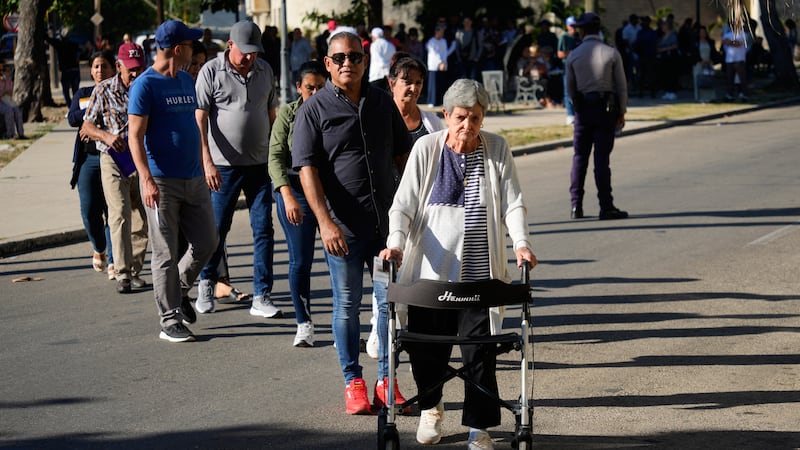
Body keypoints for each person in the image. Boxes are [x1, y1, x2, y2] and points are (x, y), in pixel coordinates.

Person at [378, 78, 538, 449]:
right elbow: (402, 206)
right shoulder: (426, 148)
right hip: (430, 275)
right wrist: (396, 245)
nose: (468, 126)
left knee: (479, 355)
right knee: (425, 349)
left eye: (477, 119)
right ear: (446, 115)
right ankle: (431, 408)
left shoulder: (497, 148)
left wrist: (522, 244)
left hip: (479, 276)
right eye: (461, 117)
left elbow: (513, 203)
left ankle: (478, 429)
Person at [291, 31, 411, 415]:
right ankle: (353, 381)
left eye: (355, 57)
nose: (348, 64)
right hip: (342, 229)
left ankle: (386, 381)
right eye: (340, 58)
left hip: (384, 229)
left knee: (386, 304)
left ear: (365, 60)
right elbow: (306, 170)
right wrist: (325, 222)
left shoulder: (381, 102)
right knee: (346, 305)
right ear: (327, 64)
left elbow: (403, 158)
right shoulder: (314, 109)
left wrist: (407, 213)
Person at [127, 20, 218, 343]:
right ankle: (169, 319)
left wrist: (205, 161)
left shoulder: (183, 80)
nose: (194, 51)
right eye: (190, 46)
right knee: (165, 252)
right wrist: (146, 179)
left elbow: (194, 127)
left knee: (208, 241)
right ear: (177, 49)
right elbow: (134, 137)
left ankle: (178, 288)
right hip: (161, 182)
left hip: (193, 178)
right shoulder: (145, 85)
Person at [194, 20, 281, 318]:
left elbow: (272, 115)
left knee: (264, 230)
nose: (249, 58)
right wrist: (206, 161)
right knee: (216, 229)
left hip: (259, 165)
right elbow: (200, 120)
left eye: (254, 52)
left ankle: (262, 294)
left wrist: (276, 156)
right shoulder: (211, 72)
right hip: (222, 166)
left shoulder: (265, 70)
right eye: (245, 52)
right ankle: (206, 281)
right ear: (230, 45)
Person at [268, 60, 328, 347]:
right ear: (298, 88)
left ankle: (346, 325)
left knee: (338, 260)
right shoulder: (288, 114)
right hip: (296, 191)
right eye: (309, 88)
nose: (315, 93)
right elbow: (276, 156)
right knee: (300, 261)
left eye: (320, 87)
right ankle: (304, 323)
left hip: (328, 192)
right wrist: (286, 195)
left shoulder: (335, 110)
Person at [81, 42, 149, 294]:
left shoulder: (147, 87)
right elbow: (86, 127)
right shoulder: (103, 90)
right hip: (113, 159)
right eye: (130, 68)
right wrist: (107, 137)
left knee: (143, 218)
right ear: (119, 66)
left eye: (139, 68)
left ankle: (133, 270)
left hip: (141, 157)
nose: (134, 74)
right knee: (120, 212)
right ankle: (121, 272)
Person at [565, 12, 629, 221]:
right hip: (605, 110)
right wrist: (621, 111)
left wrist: (577, 108)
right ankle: (606, 206)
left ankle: (576, 206)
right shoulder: (611, 53)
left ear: (581, 31)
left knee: (579, 158)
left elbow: (570, 89)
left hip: (583, 110)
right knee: (602, 160)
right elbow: (620, 86)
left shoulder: (574, 55)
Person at [68, 51, 116, 277]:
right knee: (89, 210)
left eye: (104, 66)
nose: (100, 71)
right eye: (96, 66)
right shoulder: (83, 93)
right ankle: (99, 249)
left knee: (114, 210)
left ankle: (115, 260)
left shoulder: (119, 91)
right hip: (88, 159)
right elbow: (72, 118)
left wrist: (89, 124)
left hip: (114, 158)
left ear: (113, 68)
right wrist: (93, 112)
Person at [45, 31, 81, 105]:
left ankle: (70, 105)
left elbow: (48, 39)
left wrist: (48, 31)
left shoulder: (59, 44)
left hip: (66, 71)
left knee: (66, 90)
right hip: (75, 70)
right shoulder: (74, 45)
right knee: (75, 90)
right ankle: (75, 105)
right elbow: (82, 53)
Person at [426, 24, 456, 106]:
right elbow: (434, 53)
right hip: (434, 66)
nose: (442, 33)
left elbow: (445, 52)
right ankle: (431, 101)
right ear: (436, 31)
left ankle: (439, 101)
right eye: (441, 31)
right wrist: (440, 62)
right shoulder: (431, 41)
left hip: (443, 65)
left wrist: (453, 46)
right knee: (433, 84)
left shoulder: (443, 41)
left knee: (441, 84)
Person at [558, 16, 580, 124]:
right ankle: (570, 115)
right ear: (567, 26)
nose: (574, 28)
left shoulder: (579, 37)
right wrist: (572, 53)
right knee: (568, 91)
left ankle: (578, 113)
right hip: (568, 68)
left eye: (575, 26)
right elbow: (560, 54)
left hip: (579, 68)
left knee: (578, 92)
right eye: (572, 26)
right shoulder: (564, 37)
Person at [721, 24, 749, 101]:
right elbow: (724, 41)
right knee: (729, 78)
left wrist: (730, 42)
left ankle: (744, 94)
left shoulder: (743, 34)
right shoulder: (727, 34)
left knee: (742, 78)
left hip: (740, 59)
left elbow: (739, 43)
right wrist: (733, 42)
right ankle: (730, 95)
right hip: (729, 59)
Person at [656, 20, 680, 100]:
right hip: (664, 58)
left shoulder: (672, 35)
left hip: (671, 58)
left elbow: (675, 45)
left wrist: (664, 49)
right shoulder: (662, 36)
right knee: (665, 75)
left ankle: (672, 92)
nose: (663, 27)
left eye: (664, 25)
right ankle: (667, 91)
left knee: (671, 75)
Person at [0, 64, 25, 139]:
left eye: (9, 71)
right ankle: (10, 134)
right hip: (1, 102)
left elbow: (11, 93)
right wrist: (4, 92)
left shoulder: (9, 81)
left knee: (17, 111)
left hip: (6, 101)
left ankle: (21, 134)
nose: (9, 73)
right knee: (9, 111)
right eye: (7, 71)